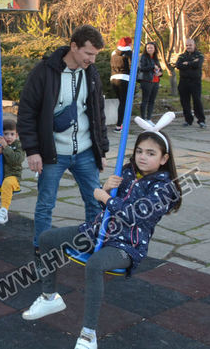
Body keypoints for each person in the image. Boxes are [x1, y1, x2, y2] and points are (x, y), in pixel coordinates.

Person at [21, 114, 182, 349]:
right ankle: (49, 297)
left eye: (151, 153)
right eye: (139, 151)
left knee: (95, 265)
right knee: (47, 239)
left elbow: (134, 215)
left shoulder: (164, 189)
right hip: (97, 231)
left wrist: (105, 197)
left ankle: (88, 334)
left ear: (164, 158)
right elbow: (105, 207)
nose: (142, 157)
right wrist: (105, 190)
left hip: (126, 245)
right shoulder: (127, 171)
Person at [17, 25, 109, 256]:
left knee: (95, 200)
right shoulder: (44, 72)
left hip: (86, 150)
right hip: (53, 152)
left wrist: (102, 150)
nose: (92, 60)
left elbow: (98, 112)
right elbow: (27, 112)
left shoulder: (91, 73)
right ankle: (42, 247)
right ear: (74, 46)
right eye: (88, 53)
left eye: (95, 55)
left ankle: (92, 243)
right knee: (46, 203)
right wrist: (32, 150)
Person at [0, 118, 25, 225]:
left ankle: (3, 211)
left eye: (12, 134)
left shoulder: (19, 146)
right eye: (6, 134)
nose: (9, 137)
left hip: (13, 177)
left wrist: (6, 147)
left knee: (7, 183)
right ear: (1, 135)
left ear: (17, 135)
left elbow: (16, 160)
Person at [174, 39, 206, 128]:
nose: (188, 47)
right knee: (184, 102)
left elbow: (198, 65)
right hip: (183, 82)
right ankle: (188, 120)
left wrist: (187, 63)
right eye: (187, 45)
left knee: (197, 101)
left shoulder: (199, 55)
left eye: (190, 45)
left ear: (194, 45)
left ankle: (201, 120)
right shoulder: (182, 56)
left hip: (195, 82)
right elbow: (178, 65)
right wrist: (192, 63)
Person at [109, 37, 132, 132]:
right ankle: (119, 125)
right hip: (124, 78)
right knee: (124, 103)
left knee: (121, 102)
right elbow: (131, 67)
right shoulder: (129, 53)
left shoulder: (113, 53)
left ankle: (121, 124)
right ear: (129, 44)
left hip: (114, 78)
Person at [137, 42, 163, 121]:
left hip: (156, 81)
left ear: (154, 49)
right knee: (145, 100)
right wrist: (152, 66)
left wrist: (160, 73)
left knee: (152, 101)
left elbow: (160, 69)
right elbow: (141, 68)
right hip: (146, 81)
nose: (149, 49)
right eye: (148, 48)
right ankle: (143, 118)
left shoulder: (155, 58)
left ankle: (149, 118)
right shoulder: (143, 57)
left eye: (151, 48)